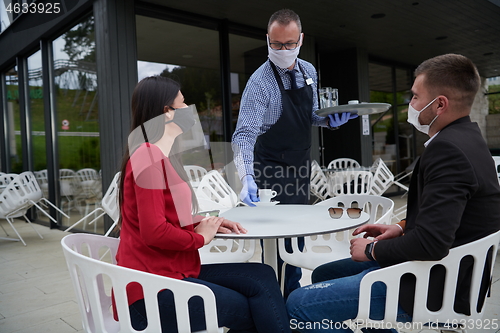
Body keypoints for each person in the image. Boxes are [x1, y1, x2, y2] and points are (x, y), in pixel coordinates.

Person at [286, 53, 500, 332]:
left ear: (440, 104)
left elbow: (432, 244)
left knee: (299, 304)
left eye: (415, 97)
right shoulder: (468, 139)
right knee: (326, 273)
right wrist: (400, 228)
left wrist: (374, 250)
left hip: (434, 285)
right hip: (447, 271)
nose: (410, 104)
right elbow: (452, 218)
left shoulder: (449, 151)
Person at [114, 76, 292, 333]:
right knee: (254, 309)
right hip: (151, 291)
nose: (189, 109)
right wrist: (201, 238)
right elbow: (154, 231)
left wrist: (208, 223)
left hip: (171, 272)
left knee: (262, 275)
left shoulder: (158, 155)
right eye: (183, 103)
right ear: (167, 112)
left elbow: (166, 215)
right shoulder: (149, 157)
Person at [231, 8, 357, 297]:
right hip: (269, 172)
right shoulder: (259, 83)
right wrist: (246, 176)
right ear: (267, 39)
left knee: (296, 244)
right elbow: (244, 134)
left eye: (289, 44)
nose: (283, 50)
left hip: (299, 168)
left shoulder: (309, 71)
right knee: (276, 250)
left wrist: (330, 120)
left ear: (300, 40)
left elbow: (310, 114)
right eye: (276, 44)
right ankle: (278, 306)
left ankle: (291, 303)